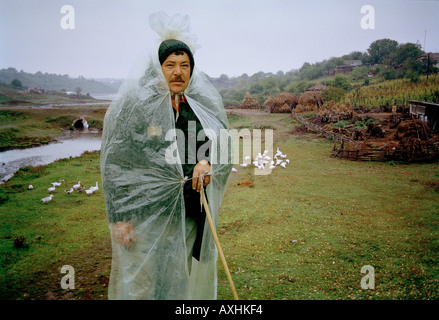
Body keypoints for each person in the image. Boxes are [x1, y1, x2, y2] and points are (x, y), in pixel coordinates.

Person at [100, 12, 232, 300]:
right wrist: (120, 219)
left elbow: (219, 145)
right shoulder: (135, 108)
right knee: (141, 284)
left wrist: (206, 162)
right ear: (157, 68)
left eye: (185, 65)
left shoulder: (198, 108)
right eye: (170, 65)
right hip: (143, 216)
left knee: (176, 282)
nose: (178, 72)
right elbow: (115, 165)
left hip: (186, 219)